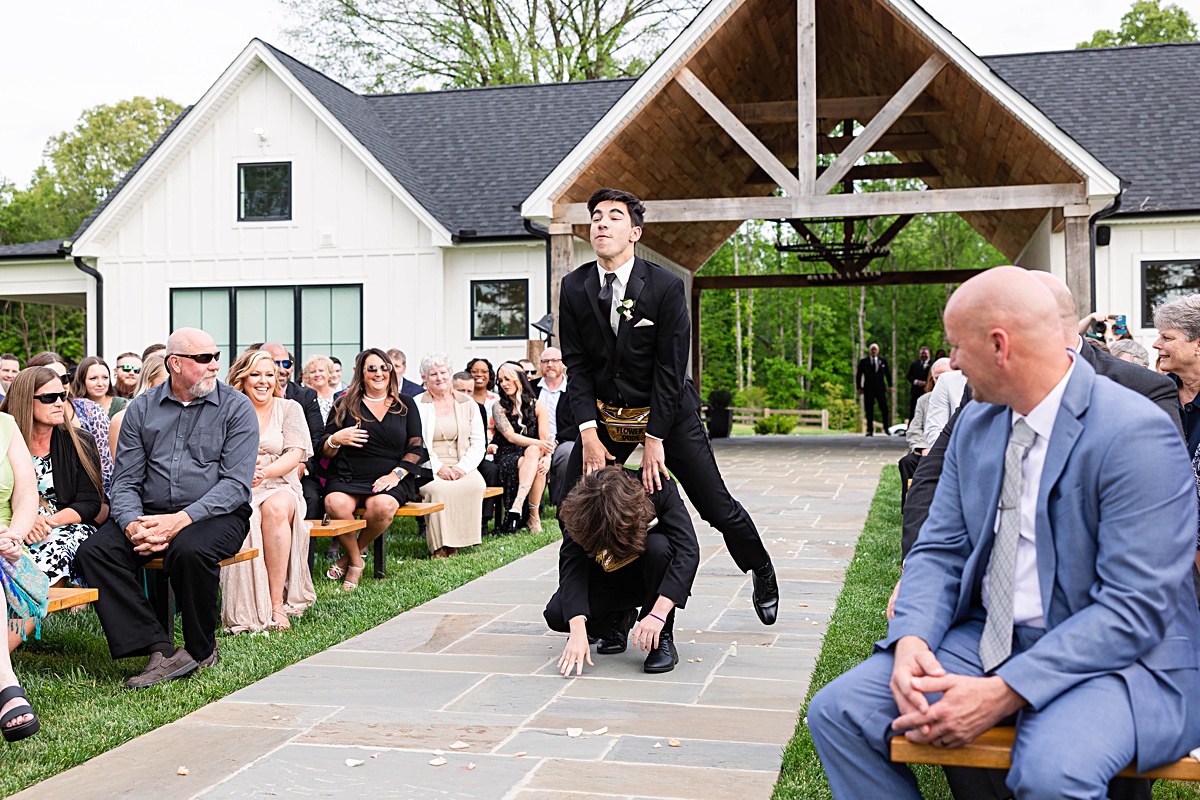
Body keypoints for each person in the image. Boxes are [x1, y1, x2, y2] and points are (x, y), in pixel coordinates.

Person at [823, 268, 1200, 800]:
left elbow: (1134, 609)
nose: (950, 363)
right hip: (987, 639)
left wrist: (1002, 693)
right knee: (843, 711)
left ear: (999, 346)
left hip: (1120, 661)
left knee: (1051, 770)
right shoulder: (978, 423)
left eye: (957, 347)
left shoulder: (1135, 431)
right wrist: (911, 641)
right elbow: (940, 549)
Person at [558, 187, 778, 626]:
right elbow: (577, 367)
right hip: (604, 420)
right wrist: (587, 432)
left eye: (614, 216)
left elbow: (670, 371)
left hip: (668, 413)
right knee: (576, 505)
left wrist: (655, 439)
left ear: (635, 232)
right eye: (596, 216)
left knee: (716, 506)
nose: (602, 223)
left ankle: (761, 568)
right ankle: (605, 605)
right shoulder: (573, 286)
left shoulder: (665, 287)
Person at [73, 328, 257, 689]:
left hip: (217, 514)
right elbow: (125, 481)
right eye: (204, 359)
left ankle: (200, 649)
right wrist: (131, 526)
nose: (214, 365)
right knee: (94, 553)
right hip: (150, 512)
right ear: (175, 363)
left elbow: (236, 485)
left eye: (216, 356)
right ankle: (158, 647)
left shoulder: (236, 407)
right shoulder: (141, 408)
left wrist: (180, 521)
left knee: (190, 550)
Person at [546, 466, 700, 675]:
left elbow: (688, 552)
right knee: (557, 614)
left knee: (659, 546)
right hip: (607, 574)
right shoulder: (581, 505)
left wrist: (659, 614)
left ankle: (662, 638)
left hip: (649, 577)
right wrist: (577, 627)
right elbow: (572, 565)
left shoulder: (658, 487)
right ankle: (618, 621)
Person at [220, 350, 315, 633]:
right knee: (245, 517)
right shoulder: (228, 411)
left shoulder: (289, 409)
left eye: (269, 375)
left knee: (275, 508)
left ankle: (276, 603)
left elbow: (295, 454)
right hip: (239, 485)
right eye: (256, 374)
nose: (263, 381)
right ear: (242, 377)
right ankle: (246, 606)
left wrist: (264, 473)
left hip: (281, 483)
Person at [321, 348, 427, 591]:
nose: (379, 373)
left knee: (382, 505)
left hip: (389, 477)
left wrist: (396, 474)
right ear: (362, 373)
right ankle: (357, 561)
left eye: (384, 367)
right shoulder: (345, 404)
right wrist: (337, 438)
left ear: (390, 371)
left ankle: (349, 558)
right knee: (335, 503)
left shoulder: (405, 404)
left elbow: (416, 447)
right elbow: (324, 449)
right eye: (372, 368)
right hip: (348, 475)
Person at [1, 367, 103, 595]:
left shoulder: (79, 441)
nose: (59, 403)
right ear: (26, 400)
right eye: (49, 397)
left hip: (64, 524)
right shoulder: (5, 438)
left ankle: (46, 609)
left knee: (60, 543)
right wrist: (27, 521)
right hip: (15, 521)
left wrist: (45, 523)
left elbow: (90, 502)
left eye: (62, 396)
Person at [414, 354, 486, 558]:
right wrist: (438, 468)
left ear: (450, 374)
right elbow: (417, 443)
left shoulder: (468, 403)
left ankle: (459, 540)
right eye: (433, 374)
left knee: (475, 485)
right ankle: (440, 545)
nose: (439, 378)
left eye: (443, 372)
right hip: (428, 464)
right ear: (424, 378)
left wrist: (461, 468)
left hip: (462, 463)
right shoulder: (417, 404)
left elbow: (478, 442)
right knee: (438, 489)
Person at [28, 352, 114, 495]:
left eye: (64, 378)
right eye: (50, 378)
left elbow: (105, 463)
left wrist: (98, 505)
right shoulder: (15, 422)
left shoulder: (91, 410)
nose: (60, 384)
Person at [262, 343, 324, 521]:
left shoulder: (306, 396)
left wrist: (303, 465)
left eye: (287, 364)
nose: (282, 369)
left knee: (310, 497)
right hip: (261, 470)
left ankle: (305, 549)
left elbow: (316, 436)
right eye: (276, 363)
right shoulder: (247, 395)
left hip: (299, 467)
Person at [492, 362, 552, 534]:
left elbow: (544, 438)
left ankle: (521, 506)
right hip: (508, 454)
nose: (503, 384)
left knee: (537, 459)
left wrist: (547, 459)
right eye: (501, 380)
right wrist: (540, 446)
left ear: (519, 380)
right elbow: (511, 436)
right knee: (534, 452)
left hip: (533, 454)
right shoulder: (499, 407)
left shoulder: (538, 406)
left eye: (508, 379)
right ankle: (532, 516)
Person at [897, 358, 949, 510]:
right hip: (927, 449)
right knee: (907, 462)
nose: (942, 381)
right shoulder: (924, 401)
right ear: (932, 379)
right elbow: (914, 430)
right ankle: (909, 509)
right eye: (938, 378)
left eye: (946, 376)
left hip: (951, 450)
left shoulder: (961, 398)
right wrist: (923, 448)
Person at [536, 346, 577, 506]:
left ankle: (561, 500)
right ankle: (534, 505)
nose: (550, 364)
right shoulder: (531, 389)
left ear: (562, 364)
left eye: (554, 360)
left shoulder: (573, 390)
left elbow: (577, 424)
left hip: (562, 442)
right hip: (536, 442)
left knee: (568, 454)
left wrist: (556, 441)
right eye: (546, 361)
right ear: (540, 364)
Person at [108, 353, 167, 461]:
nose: (131, 373)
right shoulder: (122, 419)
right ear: (149, 382)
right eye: (167, 382)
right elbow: (123, 469)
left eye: (136, 370)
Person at [856, 343, 891, 435]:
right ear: (869, 351)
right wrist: (859, 387)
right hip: (868, 388)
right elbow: (859, 375)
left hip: (880, 388)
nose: (874, 351)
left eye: (875, 349)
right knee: (869, 409)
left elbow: (888, 374)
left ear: (878, 351)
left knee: (884, 408)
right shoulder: (864, 362)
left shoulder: (883, 361)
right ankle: (870, 429)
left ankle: (886, 428)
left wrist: (890, 385)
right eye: (872, 349)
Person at [467, 357, 500, 439]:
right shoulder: (463, 399)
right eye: (474, 371)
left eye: (484, 371)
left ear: (490, 375)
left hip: (493, 445)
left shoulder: (498, 400)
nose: (479, 374)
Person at [302, 355, 339, 424]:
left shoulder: (338, 396)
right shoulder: (304, 397)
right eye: (312, 372)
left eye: (321, 370)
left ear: (329, 373)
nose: (317, 374)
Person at [905, 346, 932, 420]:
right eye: (922, 354)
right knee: (913, 409)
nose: (923, 355)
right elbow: (909, 376)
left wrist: (926, 383)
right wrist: (916, 382)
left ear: (929, 354)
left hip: (928, 390)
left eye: (925, 353)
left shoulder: (932, 364)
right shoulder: (914, 364)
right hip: (915, 391)